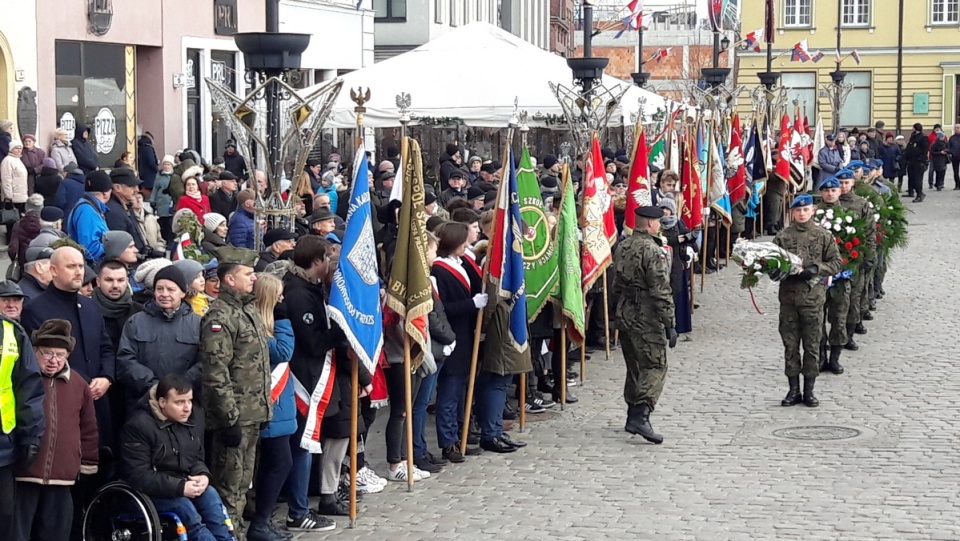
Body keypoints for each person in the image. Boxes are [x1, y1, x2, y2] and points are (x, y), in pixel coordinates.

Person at [201, 246, 270, 537]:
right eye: (248, 274)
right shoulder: (220, 316)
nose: (254, 279)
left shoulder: (248, 309)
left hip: (253, 413)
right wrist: (228, 418)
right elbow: (216, 373)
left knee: (243, 486)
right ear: (230, 279)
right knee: (229, 489)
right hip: (235, 417)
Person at [21, 247, 116, 449]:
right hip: (61, 403)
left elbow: (105, 347)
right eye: (71, 266)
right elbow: (37, 359)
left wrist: (106, 377)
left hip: (98, 401)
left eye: (81, 266)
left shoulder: (91, 306)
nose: (79, 272)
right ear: (53, 270)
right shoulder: (35, 310)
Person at [251, 273, 324, 537]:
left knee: (280, 462)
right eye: (279, 296)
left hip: (282, 405)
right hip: (271, 404)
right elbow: (283, 351)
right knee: (278, 463)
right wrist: (282, 319)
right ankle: (260, 522)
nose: (283, 300)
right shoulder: (261, 327)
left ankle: (264, 520)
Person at [120, 373, 234, 541]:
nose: (187, 408)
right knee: (185, 510)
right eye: (179, 402)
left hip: (182, 483)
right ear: (162, 402)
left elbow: (196, 457)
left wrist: (202, 474)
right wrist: (180, 487)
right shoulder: (138, 425)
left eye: (189, 400)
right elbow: (138, 475)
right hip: (150, 492)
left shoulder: (192, 417)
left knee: (211, 498)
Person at [13, 319, 98, 541]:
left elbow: (88, 428)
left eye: (60, 355)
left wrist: (88, 463)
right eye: (47, 353)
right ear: (34, 351)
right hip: (25, 472)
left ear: (68, 355)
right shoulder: (22, 379)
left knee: (55, 533)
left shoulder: (79, 384)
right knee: (18, 532)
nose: (53, 360)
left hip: (63, 475)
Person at [610, 205, 675, 444]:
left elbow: (616, 283)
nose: (659, 226)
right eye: (658, 222)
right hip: (646, 316)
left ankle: (631, 412)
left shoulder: (623, 245)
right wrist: (670, 322)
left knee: (634, 365)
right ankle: (641, 413)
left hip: (625, 313)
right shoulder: (652, 250)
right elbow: (660, 289)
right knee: (655, 365)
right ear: (650, 223)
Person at [772, 194, 842, 407]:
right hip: (789, 299)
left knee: (812, 345)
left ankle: (809, 390)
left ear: (812, 211)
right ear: (792, 212)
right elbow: (771, 264)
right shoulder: (783, 237)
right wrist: (777, 271)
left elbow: (837, 262)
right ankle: (793, 390)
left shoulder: (822, 236)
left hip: (813, 299)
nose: (802, 214)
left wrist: (816, 269)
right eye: (798, 210)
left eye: (806, 210)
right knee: (790, 345)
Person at [431, 222, 484, 462]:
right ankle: (448, 442)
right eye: (463, 240)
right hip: (451, 337)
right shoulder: (440, 270)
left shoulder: (461, 263)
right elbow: (443, 308)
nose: (468, 244)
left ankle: (462, 434)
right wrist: (471, 304)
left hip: (466, 335)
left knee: (462, 390)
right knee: (450, 393)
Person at [118, 265, 201, 409]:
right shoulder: (135, 321)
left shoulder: (198, 323)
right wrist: (155, 387)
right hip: (143, 401)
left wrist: (179, 388)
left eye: (171, 289)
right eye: (160, 289)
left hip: (184, 403)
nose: (164, 294)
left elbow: (205, 362)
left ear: (182, 293)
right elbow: (125, 359)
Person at [0, 307, 45, 532]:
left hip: (3, 448)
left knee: (5, 518)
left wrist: (31, 436)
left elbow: (28, 389)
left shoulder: (11, 332)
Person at [836, 168, 875, 349]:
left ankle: (849, 335)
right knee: (835, 302)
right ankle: (833, 336)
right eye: (841, 183)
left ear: (853, 183)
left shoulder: (861, 204)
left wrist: (869, 256)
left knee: (853, 298)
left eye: (847, 182)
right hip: (833, 261)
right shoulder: (829, 205)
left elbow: (869, 232)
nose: (843, 186)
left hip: (855, 259)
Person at [816, 178, 850, 375]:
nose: (830, 194)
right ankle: (820, 356)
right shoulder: (813, 216)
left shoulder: (848, 215)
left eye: (834, 190)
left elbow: (859, 242)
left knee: (839, 317)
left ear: (840, 192)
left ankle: (835, 358)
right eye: (826, 190)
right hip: (818, 278)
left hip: (841, 277)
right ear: (821, 193)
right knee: (817, 319)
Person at [67, 171, 112, 263]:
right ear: (105, 193)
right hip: (94, 267)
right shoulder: (87, 210)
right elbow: (90, 250)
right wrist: (114, 252)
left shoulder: (89, 207)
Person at [7, 194, 43, 267]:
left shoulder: (18, 224)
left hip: (24, 261)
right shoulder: (45, 224)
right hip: (42, 261)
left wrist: (16, 261)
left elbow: (13, 248)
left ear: (26, 207)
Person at [2, 139, 28, 231]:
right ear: (11, 149)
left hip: (21, 194)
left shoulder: (18, 160)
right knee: (12, 221)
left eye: (20, 148)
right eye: (16, 148)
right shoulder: (8, 161)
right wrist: (9, 195)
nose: (19, 150)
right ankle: (10, 239)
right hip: (13, 196)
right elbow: (6, 178)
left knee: (19, 220)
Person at [904, 123, 929, 202]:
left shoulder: (923, 137)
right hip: (911, 160)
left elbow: (924, 150)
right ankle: (914, 192)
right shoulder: (913, 135)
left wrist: (924, 161)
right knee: (912, 178)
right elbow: (909, 146)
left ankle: (919, 195)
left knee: (918, 179)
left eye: (913, 127)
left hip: (919, 161)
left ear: (915, 128)